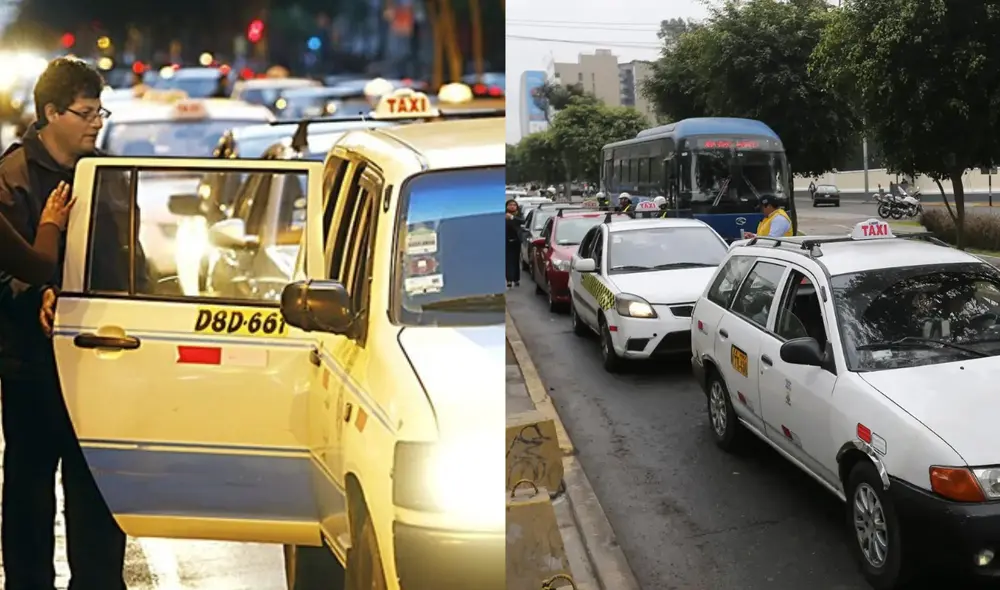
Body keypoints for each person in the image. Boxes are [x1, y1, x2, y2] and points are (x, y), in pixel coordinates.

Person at [0, 57, 128, 590]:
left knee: (98, 484)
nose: (97, 121)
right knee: (30, 486)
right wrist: (36, 300)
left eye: (101, 110)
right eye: (86, 111)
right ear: (51, 113)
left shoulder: (107, 173)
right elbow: (13, 269)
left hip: (101, 356)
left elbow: (128, 258)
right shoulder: (13, 178)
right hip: (32, 361)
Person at [505, 199, 523, 287]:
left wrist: (512, 217)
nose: (512, 206)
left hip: (516, 240)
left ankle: (516, 279)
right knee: (508, 260)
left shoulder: (518, 215)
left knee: (516, 260)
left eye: (514, 205)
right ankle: (509, 279)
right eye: (510, 204)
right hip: (506, 241)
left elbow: (523, 221)